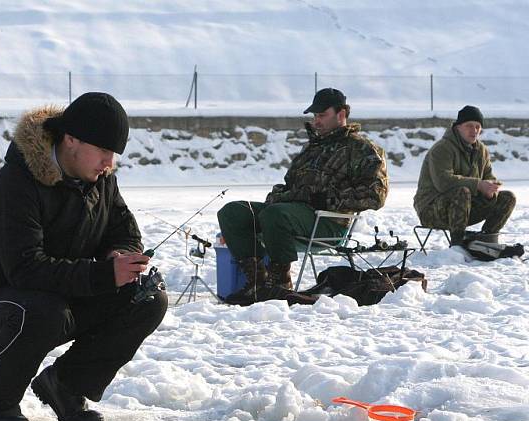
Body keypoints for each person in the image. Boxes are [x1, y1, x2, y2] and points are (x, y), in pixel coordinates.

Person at [0, 92, 167, 421]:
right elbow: (25, 268)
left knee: (147, 296)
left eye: (113, 154)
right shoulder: (16, 183)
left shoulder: (102, 180)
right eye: (103, 151)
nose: (109, 162)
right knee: (42, 310)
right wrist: (103, 274)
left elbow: (125, 231)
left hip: (61, 292)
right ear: (71, 140)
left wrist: (119, 255)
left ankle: (67, 386)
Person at [217, 88, 388, 305]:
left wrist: (327, 200)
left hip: (327, 221)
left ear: (341, 114)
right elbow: (290, 184)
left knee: (275, 215)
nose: (316, 121)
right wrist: (278, 195)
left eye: (322, 115)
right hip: (289, 214)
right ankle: (258, 282)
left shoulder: (362, 149)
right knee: (233, 212)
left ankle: (279, 284)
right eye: (314, 116)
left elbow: (376, 195)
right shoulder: (312, 149)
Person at [413, 105, 516, 249]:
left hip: (464, 207)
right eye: (469, 126)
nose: (474, 131)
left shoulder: (482, 151)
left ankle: (486, 240)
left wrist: (491, 189)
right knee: (462, 192)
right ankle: (457, 246)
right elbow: (443, 182)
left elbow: (488, 176)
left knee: (507, 197)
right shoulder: (442, 148)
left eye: (478, 127)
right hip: (431, 209)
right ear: (458, 127)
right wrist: (479, 185)